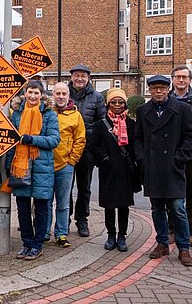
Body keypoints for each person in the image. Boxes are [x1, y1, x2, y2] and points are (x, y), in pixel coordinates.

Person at [134, 75, 192, 266]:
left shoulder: (183, 109)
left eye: (162, 88)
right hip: (153, 167)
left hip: (173, 167)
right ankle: (162, 243)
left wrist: (179, 158)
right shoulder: (143, 110)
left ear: (168, 89)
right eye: (154, 88)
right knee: (157, 208)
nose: (158, 91)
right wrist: (143, 159)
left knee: (178, 209)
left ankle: (184, 248)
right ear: (149, 90)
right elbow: (138, 139)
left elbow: (189, 136)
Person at [7, 80, 60, 260]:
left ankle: (37, 245)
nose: (32, 96)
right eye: (30, 92)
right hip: (21, 167)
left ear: (41, 95)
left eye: (36, 93)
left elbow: (54, 140)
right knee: (22, 209)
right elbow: (12, 141)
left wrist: (32, 139)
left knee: (41, 208)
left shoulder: (49, 114)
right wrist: (9, 166)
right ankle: (26, 243)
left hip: (41, 167)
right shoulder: (16, 114)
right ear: (25, 93)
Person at [91, 88, 139, 252]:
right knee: (109, 205)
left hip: (126, 170)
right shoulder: (101, 124)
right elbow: (93, 146)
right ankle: (111, 235)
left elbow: (136, 146)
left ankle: (122, 236)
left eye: (120, 102)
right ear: (108, 104)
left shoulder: (132, 124)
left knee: (124, 205)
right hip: (108, 169)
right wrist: (104, 158)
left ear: (125, 103)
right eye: (114, 102)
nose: (117, 105)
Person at [68, 64, 106, 237]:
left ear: (88, 78)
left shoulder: (97, 97)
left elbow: (102, 122)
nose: (80, 79)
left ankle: (82, 220)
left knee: (85, 187)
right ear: (72, 77)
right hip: (65, 150)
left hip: (87, 149)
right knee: (65, 187)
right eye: (77, 75)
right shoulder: (64, 94)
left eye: (83, 76)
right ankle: (64, 219)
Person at [46, 82, 85, 247]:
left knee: (63, 203)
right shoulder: (47, 113)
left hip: (65, 166)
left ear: (69, 96)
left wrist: (72, 160)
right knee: (45, 201)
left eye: (64, 94)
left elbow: (80, 139)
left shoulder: (75, 116)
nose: (61, 97)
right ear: (52, 95)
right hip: (46, 165)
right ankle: (44, 232)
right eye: (58, 94)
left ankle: (61, 233)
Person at [168, 65, 192, 243]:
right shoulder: (166, 100)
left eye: (185, 77)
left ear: (189, 80)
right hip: (170, 155)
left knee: (190, 194)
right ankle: (171, 230)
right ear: (173, 79)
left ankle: (189, 231)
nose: (181, 80)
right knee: (170, 194)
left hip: (189, 155)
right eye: (178, 77)